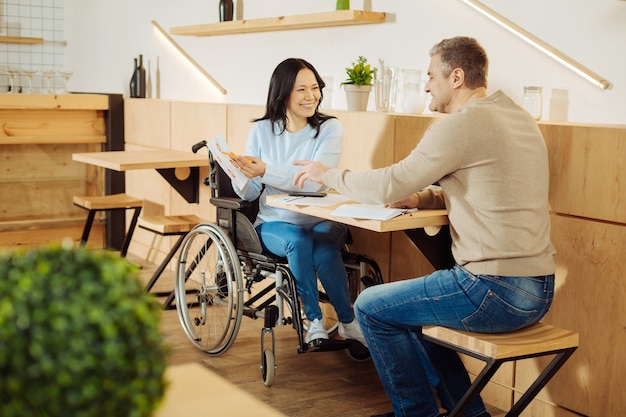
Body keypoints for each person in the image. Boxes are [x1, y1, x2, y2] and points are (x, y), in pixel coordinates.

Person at [293, 37, 556, 417]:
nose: (427, 85)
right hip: (538, 288)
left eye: (432, 75)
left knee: (369, 306)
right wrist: (421, 199)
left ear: (457, 77)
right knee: (416, 312)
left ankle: (415, 412)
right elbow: (486, 185)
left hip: (494, 289)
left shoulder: (462, 126)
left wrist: (329, 174)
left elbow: (389, 184)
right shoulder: (515, 115)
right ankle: (469, 412)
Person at [229, 57, 366, 347]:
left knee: (325, 246)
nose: (311, 96)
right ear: (283, 94)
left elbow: (315, 180)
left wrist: (267, 170)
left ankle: (347, 322)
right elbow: (252, 193)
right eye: (301, 89)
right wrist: (240, 176)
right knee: (299, 240)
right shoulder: (261, 131)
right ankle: (314, 320)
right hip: (275, 222)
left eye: (315, 88)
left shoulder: (329, 129)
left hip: (322, 217)